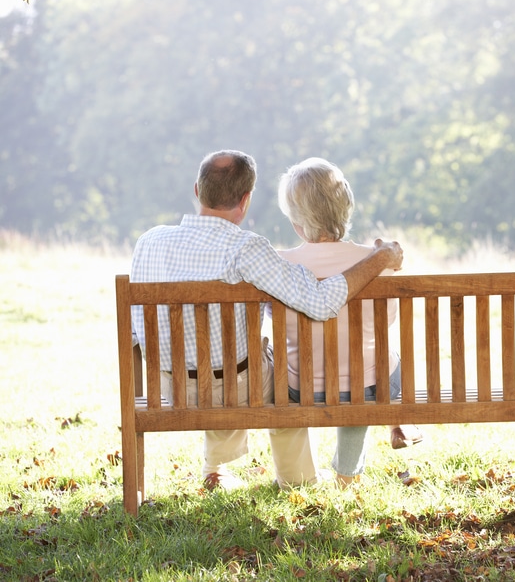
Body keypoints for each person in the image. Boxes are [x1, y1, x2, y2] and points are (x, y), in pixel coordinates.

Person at [130, 149, 403, 491]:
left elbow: (134, 327)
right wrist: (379, 258)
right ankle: (298, 480)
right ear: (245, 200)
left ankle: (214, 468)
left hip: (168, 387)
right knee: (269, 373)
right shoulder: (247, 248)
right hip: (236, 386)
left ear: (198, 190)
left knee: (238, 361)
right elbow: (319, 303)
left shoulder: (149, 241)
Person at [270, 157, 422, 487]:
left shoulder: (280, 264)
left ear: (296, 223)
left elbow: (272, 317)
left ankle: (296, 475)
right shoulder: (378, 259)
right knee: (369, 370)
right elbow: (389, 319)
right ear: (346, 209)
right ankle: (348, 472)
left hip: (302, 388)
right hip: (368, 387)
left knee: (352, 372)